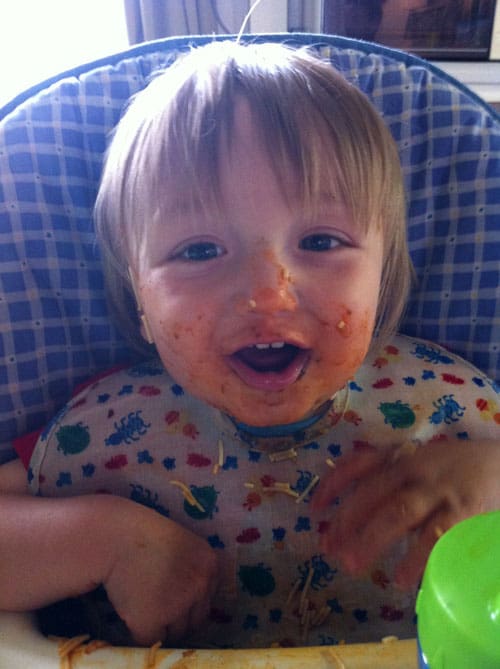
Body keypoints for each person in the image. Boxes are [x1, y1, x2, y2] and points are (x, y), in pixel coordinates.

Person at [0, 40, 499, 649]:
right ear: (139, 297)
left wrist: (490, 475)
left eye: (320, 242)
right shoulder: (103, 434)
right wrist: (102, 540)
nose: (269, 295)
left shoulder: (454, 413)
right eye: (199, 251)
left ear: (383, 272)